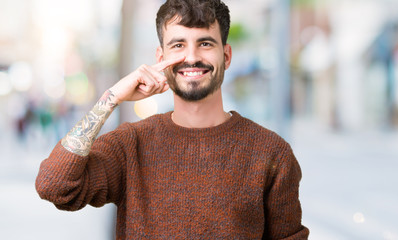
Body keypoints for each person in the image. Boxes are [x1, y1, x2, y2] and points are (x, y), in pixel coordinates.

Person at [35, 0, 310, 239]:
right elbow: (54, 186)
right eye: (178, 45)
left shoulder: (271, 152)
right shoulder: (131, 144)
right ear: (160, 57)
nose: (191, 57)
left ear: (225, 56)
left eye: (205, 43)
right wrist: (111, 98)